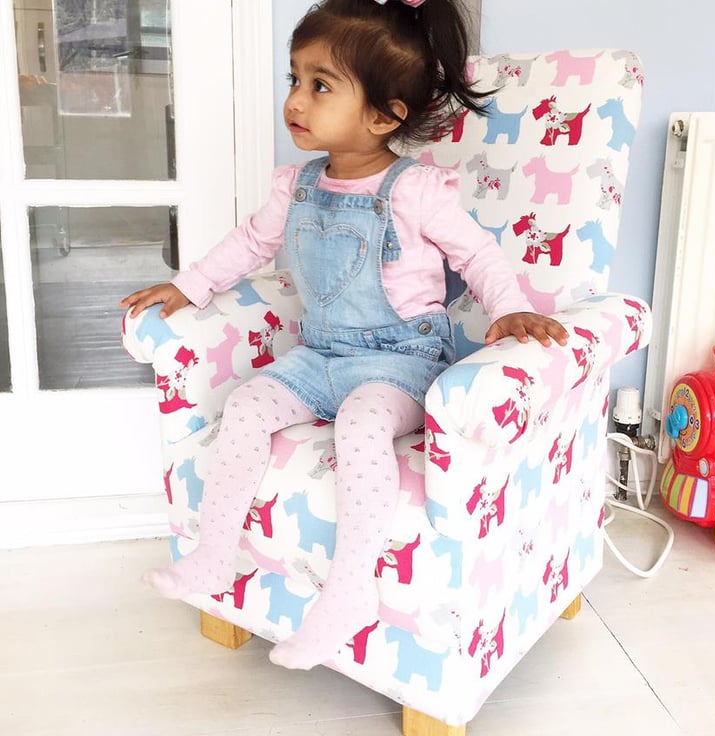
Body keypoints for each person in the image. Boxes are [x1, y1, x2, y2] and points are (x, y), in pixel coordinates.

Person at [120, 0, 568, 671]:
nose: (296, 100)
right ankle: (213, 555)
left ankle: (351, 590)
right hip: (320, 356)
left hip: (399, 363)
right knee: (245, 405)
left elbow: (477, 255)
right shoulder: (296, 187)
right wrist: (189, 287)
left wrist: (508, 309)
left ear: (384, 116)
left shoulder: (415, 191)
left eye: (320, 85)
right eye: (294, 80)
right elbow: (250, 243)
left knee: (361, 423)